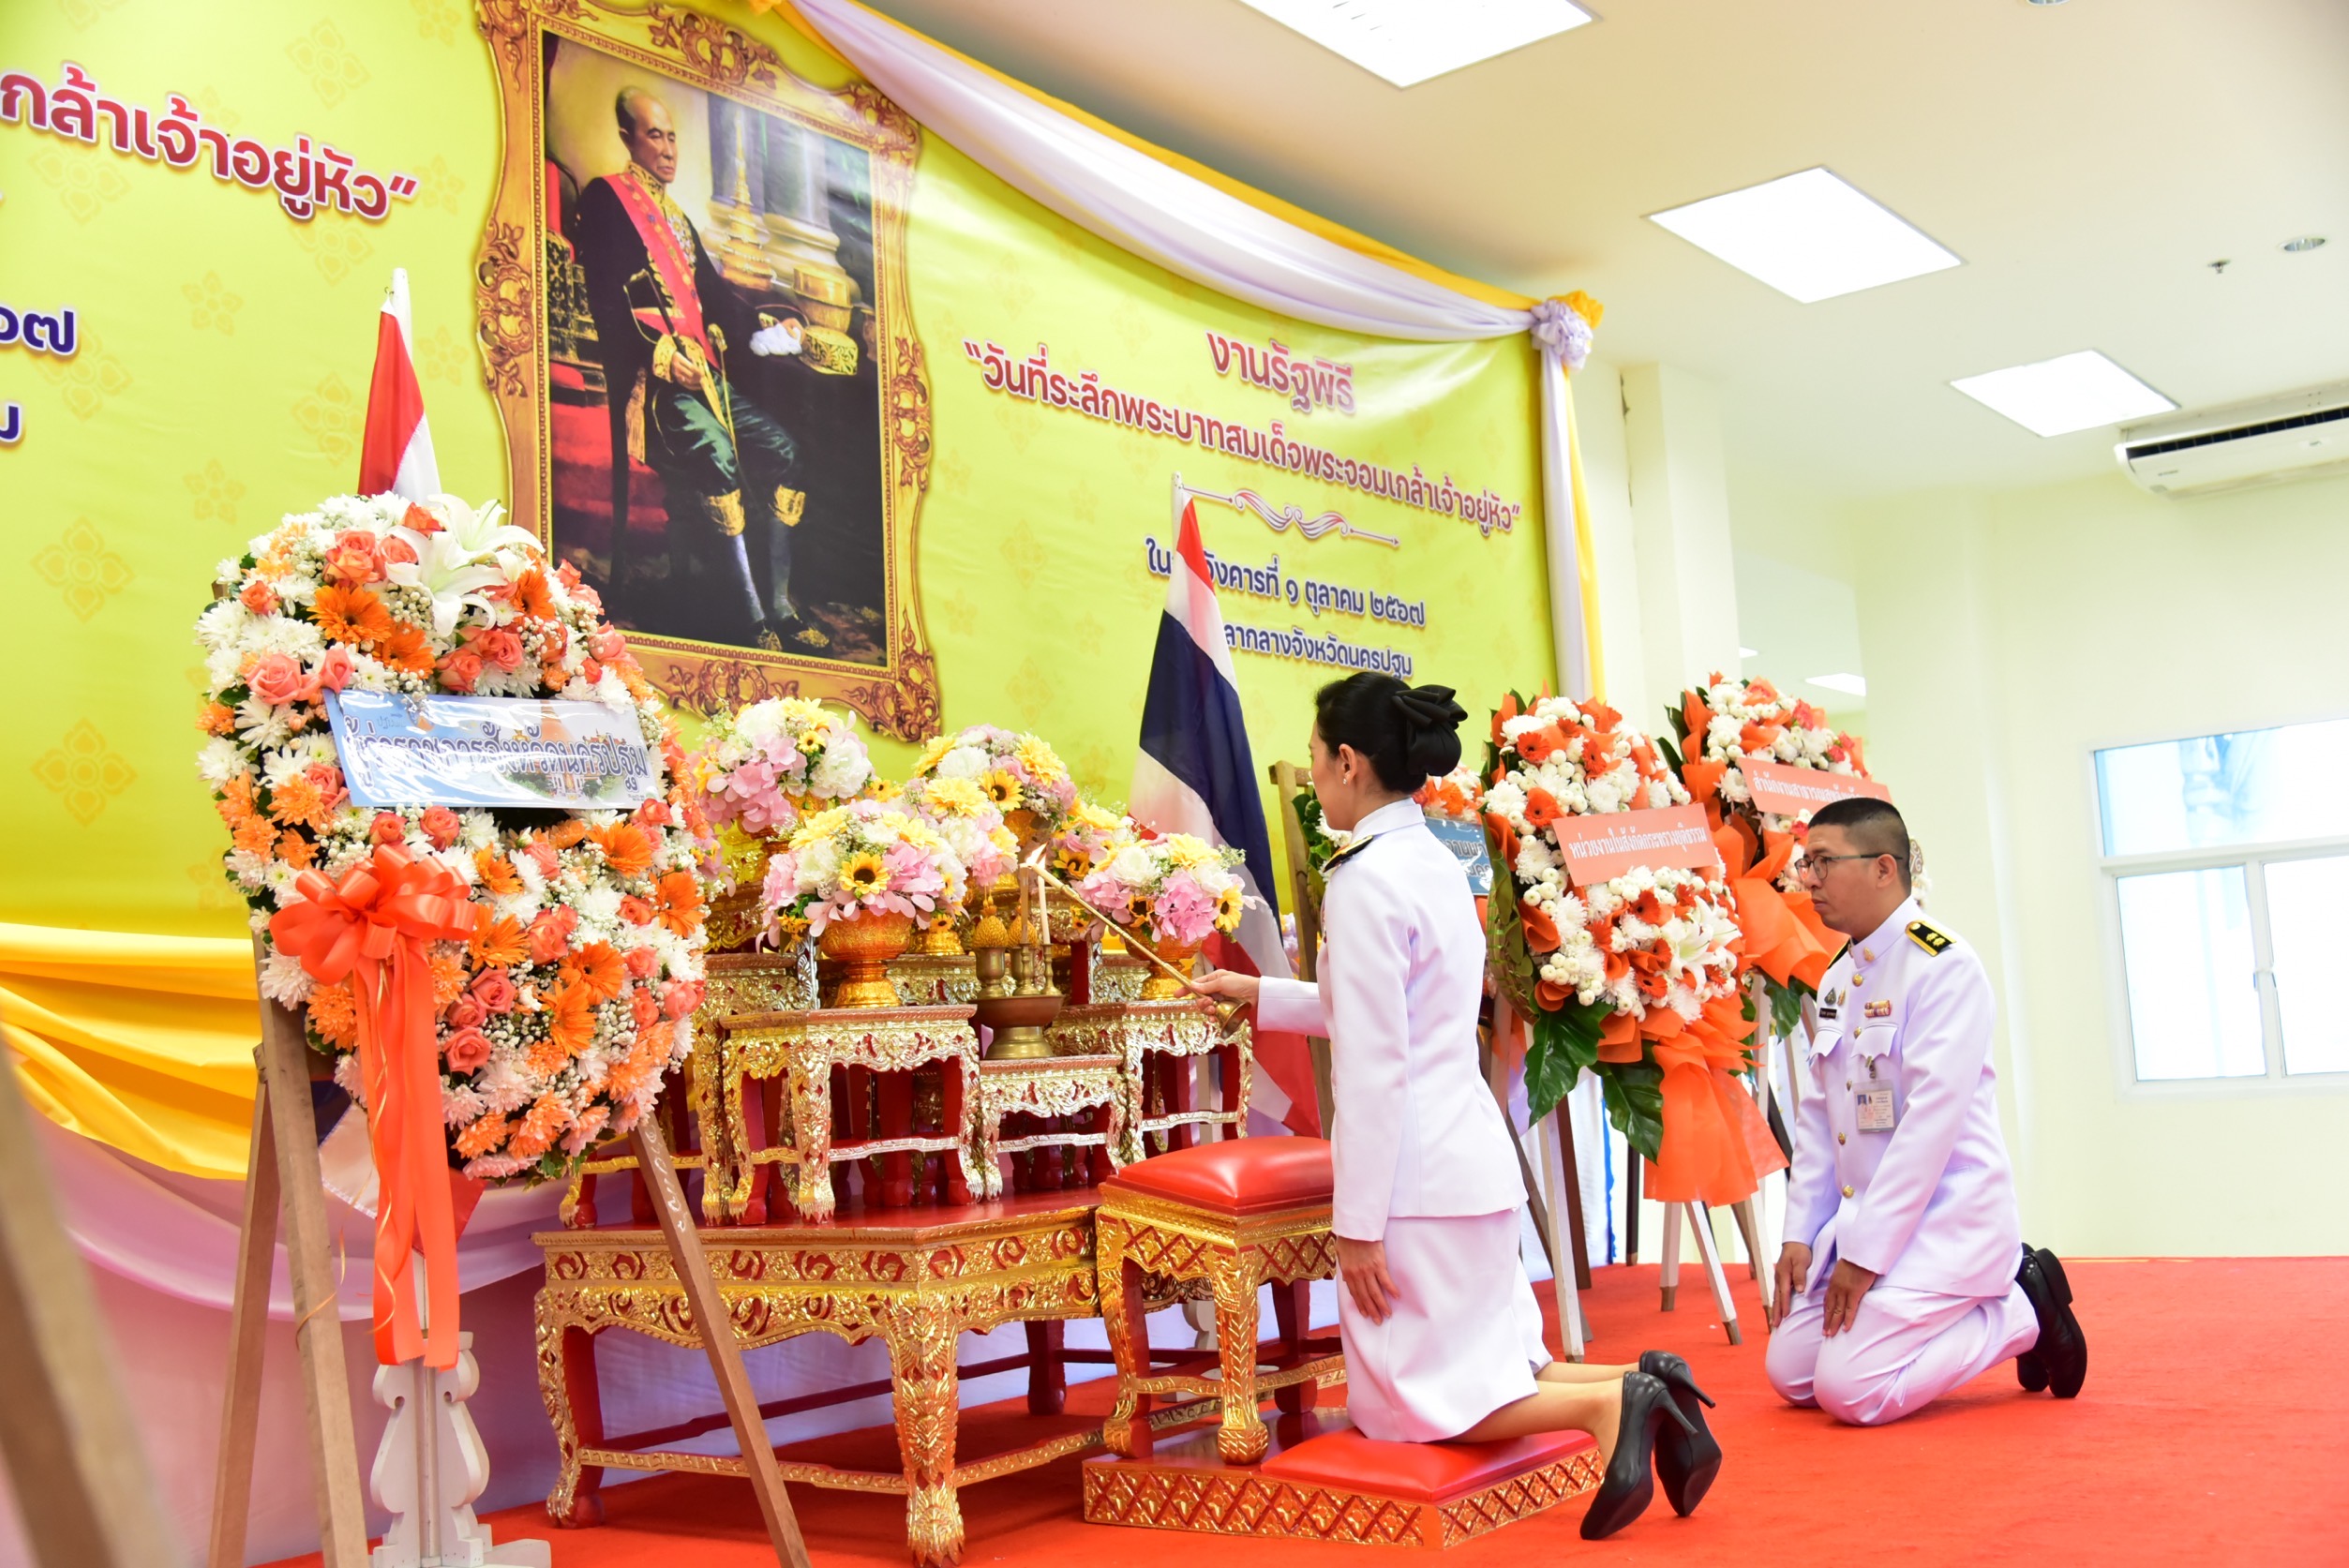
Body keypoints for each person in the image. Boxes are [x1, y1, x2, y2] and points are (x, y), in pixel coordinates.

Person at [1191, 671, 1719, 1540]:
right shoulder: (1436, 855)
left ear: (1349, 761)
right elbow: (1399, 1011)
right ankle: (1649, 1382)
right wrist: (1259, 994)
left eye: (1317, 754)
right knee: (1489, 1368)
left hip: (1414, 1177)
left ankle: (1613, 1404)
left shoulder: (1362, 879)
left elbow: (1375, 1064)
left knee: (1411, 1405)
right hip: (1466, 1156)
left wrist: (1357, 1225)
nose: (1314, 771)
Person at [1764, 796, 2088, 1425]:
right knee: (1791, 1375)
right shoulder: (1838, 979)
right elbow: (1819, 1120)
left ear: (1884, 868)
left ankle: (2022, 1307)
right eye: (1807, 864)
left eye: (1824, 862)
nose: (1809, 880)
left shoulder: (1944, 967)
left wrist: (1865, 1257)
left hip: (1943, 1222)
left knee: (1850, 1392)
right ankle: (1980, 1308)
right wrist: (1799, 1233)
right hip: (1864, 1222)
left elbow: (1927, 1129)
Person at [573, 85, 829, 651]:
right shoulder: (608, 199)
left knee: (784, 451)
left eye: (671, 137)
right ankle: (750, 620)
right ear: (628, 139)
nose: (668, 149)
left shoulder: (678, 218)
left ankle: (781, 608)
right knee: (719, 457)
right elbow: (607, 302)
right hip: (653, 385)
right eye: (654, 136)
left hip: (705, 378)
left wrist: (772, 326)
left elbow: (714, 298)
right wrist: (664, 358)